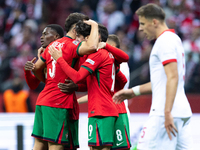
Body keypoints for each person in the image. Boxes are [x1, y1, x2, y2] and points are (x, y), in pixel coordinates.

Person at [113, 3, 192, 150]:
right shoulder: (174, 39)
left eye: (143, 23)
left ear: (154, 22)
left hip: (164, 113)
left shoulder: (164, 42)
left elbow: (172, 77)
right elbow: (162, 81)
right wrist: (133, 92)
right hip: (181, 112)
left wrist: (167, 111)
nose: (140, 28)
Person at [49, 22, 129, 150]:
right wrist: (77, 88)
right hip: (109, 109)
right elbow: (118, 81)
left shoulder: (98, 55)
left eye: (79, 37)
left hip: (101, 110)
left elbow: (77, 77)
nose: (77, 40)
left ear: (89, 38)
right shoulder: (107, 55)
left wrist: (59, 59)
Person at [31, 13, 99, 150]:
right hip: (58, 101)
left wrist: (49, 81)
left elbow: (36, 67)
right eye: (83, 28)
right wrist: (95, 25)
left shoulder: (53, 45)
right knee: (56, 145)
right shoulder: (72, 45)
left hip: (43, 99)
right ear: (75, 28)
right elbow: (92, 47)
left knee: (39, 144)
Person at [76, 34, 131, 150]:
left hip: (109, 109)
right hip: (115, 109)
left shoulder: (117, 63)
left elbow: (110, 90)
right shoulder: (112, 63)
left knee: (99, 147)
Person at [24, 24, 64, 90]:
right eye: (42, 34)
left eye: (45, 34)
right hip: (50, 94)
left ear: (56, 36)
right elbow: (33, 85)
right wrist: (27, 71)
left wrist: (76, 87)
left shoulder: (65, 52)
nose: (41, 37)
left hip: (63, 95)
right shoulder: (43, 55)